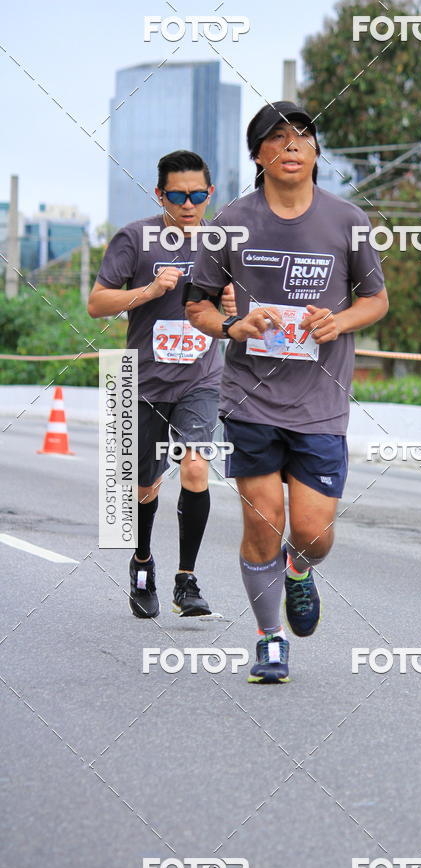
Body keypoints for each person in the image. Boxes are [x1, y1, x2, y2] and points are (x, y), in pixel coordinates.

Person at [184, 102, 388, 682]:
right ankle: (269, 639)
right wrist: (232, 326)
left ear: (316, 152)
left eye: (303, 135)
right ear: (259, 156)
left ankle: (300, 569)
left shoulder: (347, 220)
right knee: (262, 524)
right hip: (249, 397)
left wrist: (339, 321)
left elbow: (376, 299)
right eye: (277, 137)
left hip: (321, 402)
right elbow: (196, 304)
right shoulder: (231, 222)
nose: (291, 144)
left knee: (312, 532)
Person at [89, 150, 235, 619]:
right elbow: (97, 304)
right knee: (144, 486)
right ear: (160, 194)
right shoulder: (135, 238)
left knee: (196, 468)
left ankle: (186, 581)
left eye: (197, 195)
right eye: (177, 195)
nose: (188, 204)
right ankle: (142, 561)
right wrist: (148, 292)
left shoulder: (225, 242)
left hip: (202, 378)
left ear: (210, 194)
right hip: (145, 382)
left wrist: (234, 306)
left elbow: (244, 311)